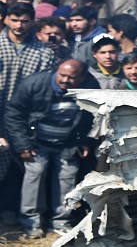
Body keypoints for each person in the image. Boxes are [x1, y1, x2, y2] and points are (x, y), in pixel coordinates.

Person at [4, 59, 99, 236]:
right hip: (36, 142)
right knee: (35, 174)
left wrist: (87, 140)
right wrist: (22, 144)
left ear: (82, 77)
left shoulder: (91, 86)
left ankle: (60, 221)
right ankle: (31, 223)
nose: (65, 80)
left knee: (67, 177)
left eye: (71, 77)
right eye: (62, 75)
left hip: (68, 142)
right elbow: (14, 113)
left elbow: (94, 116)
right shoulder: (34, 83)